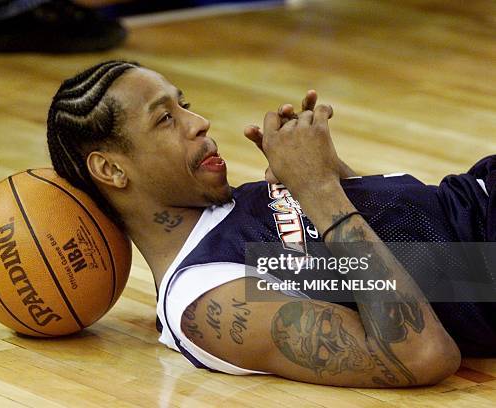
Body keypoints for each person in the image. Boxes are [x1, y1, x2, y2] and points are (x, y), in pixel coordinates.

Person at [46, 60, 495, 388]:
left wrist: (334, 173)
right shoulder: (204, 298)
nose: (199, 123)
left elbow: (413, 239)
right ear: (111, 170)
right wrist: (318, 189)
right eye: (166, 118)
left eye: (185, 106)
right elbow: (421, 354)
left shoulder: (228, 211)